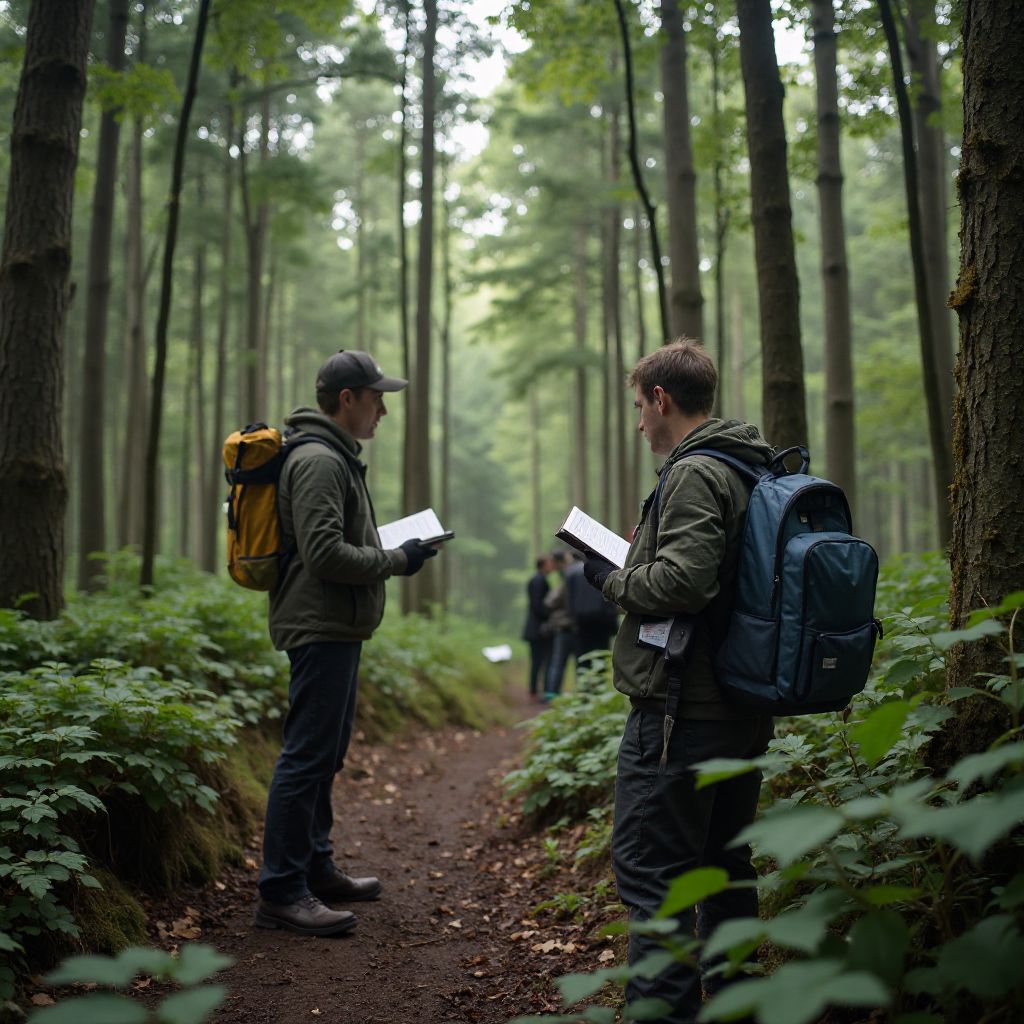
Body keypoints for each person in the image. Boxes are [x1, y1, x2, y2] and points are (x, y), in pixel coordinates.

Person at [581, 340, 775, 1023]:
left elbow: (685, 582)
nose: (638, 423)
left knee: (656, 882)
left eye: (640, 406)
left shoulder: (696, 473)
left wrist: (610, 577)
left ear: (661, 399)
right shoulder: (748, 466)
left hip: (680, 713)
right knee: (724, 871)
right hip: (736, 704)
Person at [255, 349, 439, 937]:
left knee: (323, 753)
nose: (383, 410)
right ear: (347, 400)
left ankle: (314, 868)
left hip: (336, 623)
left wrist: (395, 551)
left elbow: (332, 543)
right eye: (377, 398)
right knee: (306, 756)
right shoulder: (317, 460)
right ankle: (282, 892)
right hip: (319, 624)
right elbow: (324, 553)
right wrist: (396, 560)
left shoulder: (332, 456)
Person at [563, 550, 618, 677]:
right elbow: (610, 599)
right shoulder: (606, 570)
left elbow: (569, 600)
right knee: (601, 655)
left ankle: (583, 689)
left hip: (581, 622)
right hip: (602, 622)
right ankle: (599, 688)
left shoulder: (571, 573)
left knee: (582, 657)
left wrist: (572, 620)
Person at [542, 551, 575, 700]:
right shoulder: (576, 577)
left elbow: (551, 601)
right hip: (576, 627)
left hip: (563, 627)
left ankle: (552, 694)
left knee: (558, 662)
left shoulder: (567, 580)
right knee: (578, 663)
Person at [521, 555, 554, 699]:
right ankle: (536, 690)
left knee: (537, 660)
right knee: (539, 660)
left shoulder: (537, 579)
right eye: (549, 563)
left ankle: (534, 689)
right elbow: (538, 605)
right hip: (538, 628)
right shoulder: (539, 581)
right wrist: (549, 614)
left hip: (535, 627)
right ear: (543, 565)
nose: (551, 566)